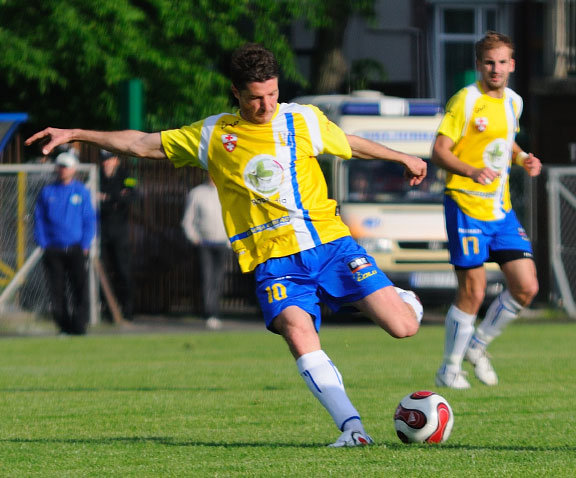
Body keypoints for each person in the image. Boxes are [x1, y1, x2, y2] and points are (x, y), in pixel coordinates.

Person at [26, 43, 426, 447]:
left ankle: (398, 296)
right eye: (256, 97)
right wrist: (77, 133)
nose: (267, 105)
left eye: (272, 94)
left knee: (404, 327)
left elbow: (348, 142)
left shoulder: (302, 119)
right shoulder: (214, 134)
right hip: (274, 261)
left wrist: (401, 157)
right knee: (297, 330)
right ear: (236, 92)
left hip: (331, 245)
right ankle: (353, 429)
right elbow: (141, 144)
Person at [431, 31, 541, 389]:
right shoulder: (465, 100)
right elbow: (440, 151)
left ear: (512, 65)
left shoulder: (514, 102)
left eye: (502, 62)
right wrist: (471, 170)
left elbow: (504, 140)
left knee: (526, 287)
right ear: (479, 65)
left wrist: (523, 157)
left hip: (501, 209)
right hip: (465, 204)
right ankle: (449, 368)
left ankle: (477, 347)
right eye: (488, 63)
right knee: (473, 292)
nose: (495, 69)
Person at [34, 151, 97, 335]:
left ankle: (79, 326)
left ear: (73, 169)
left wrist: (85, 244)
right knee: (56, 290)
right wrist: (44, 243)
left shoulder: (81, 192)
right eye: (60, 166)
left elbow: (89, 219)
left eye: (66, 166)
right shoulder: (47, 192)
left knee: (79, 288)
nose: (63, 170)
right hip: (53, 248)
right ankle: (63, 325)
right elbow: (39, 220)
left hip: (76, 248)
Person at [182, 175, 230, 330]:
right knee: (207, 279)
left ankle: (216, 312)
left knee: (219, 279)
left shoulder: (227, 191)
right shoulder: (197, 193)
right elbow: (188, 220)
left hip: (222, 243)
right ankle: (210, 313)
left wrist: (231, 241)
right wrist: (194, 238)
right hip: (205, 243)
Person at [98, 149, 137, 321]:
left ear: (116, 160)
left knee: (123, 271)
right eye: (104, 160)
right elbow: (94, 198)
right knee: (104, 271)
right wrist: (116, 197)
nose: (106, 163)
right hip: (102, 231)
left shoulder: (126, 175)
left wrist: (107, 197)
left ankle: (127, 310)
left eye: (109, 159)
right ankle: (106, 310)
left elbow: (132, 196)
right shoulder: (97, 176)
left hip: (120, 232)